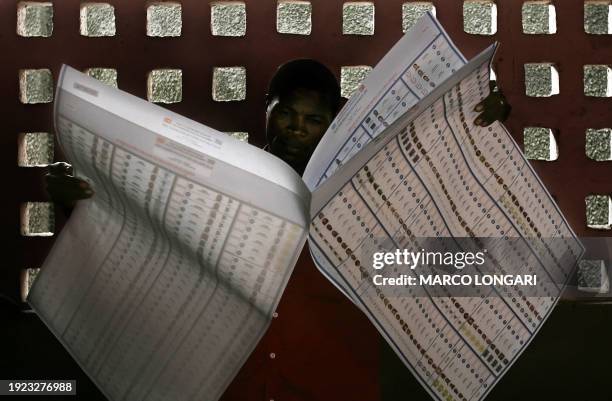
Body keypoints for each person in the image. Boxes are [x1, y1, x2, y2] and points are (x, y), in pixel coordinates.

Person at [46, 59, 510, 401]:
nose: (296, 129)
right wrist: (83, 195)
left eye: (313, 120)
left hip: (332, 385)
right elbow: (149, 232)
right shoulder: (218, 176)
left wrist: (481, 124)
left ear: (332, 126)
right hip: (236, 383)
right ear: (266, 110)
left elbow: (449, 199)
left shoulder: (369, 191)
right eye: (285, 113)